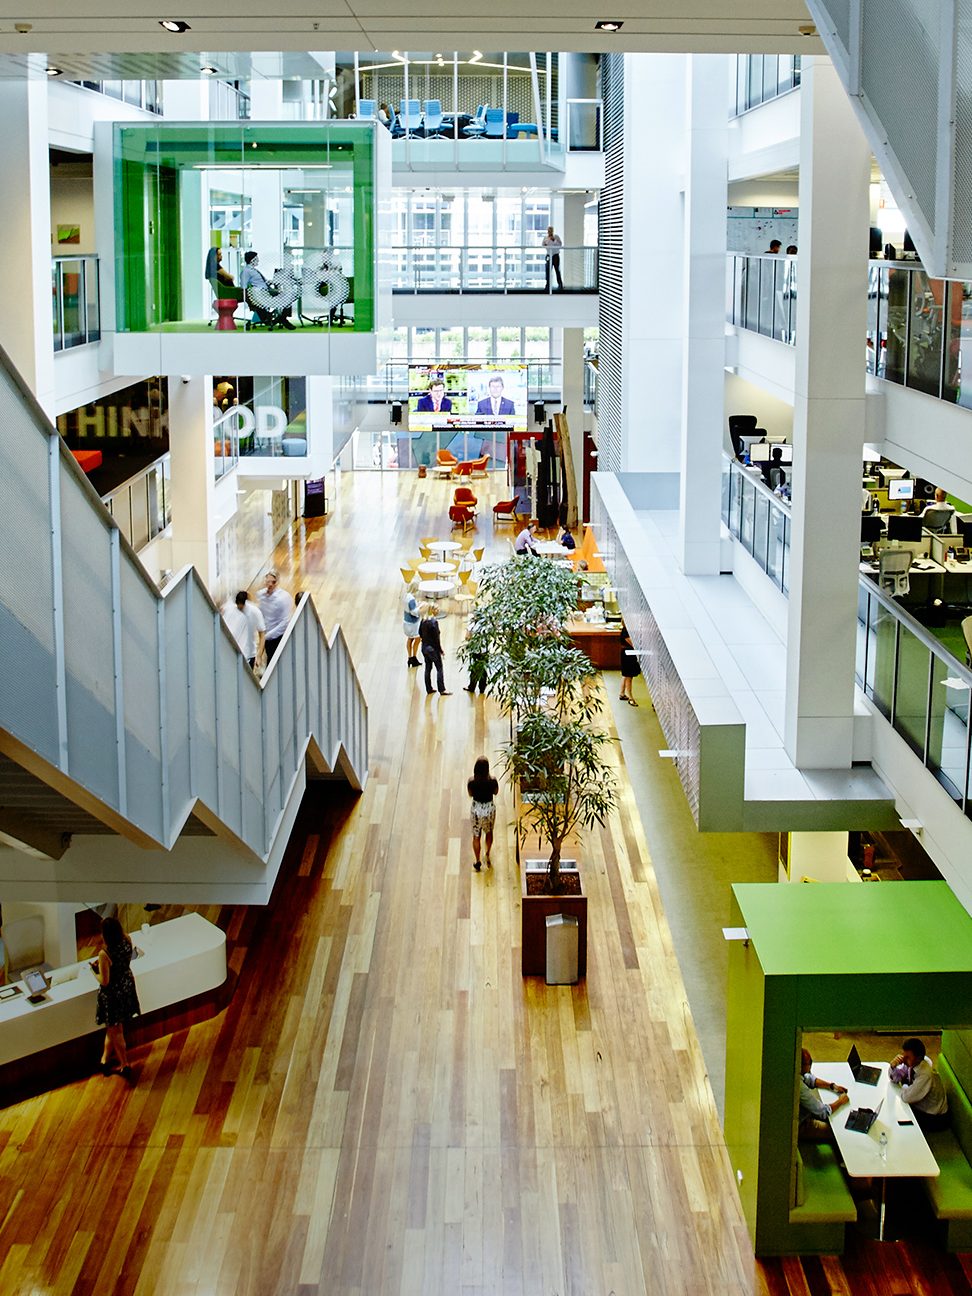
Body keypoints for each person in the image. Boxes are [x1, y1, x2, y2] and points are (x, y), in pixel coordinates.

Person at [93, 916, 141, 1082]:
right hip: (126, 987)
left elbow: (104, 981)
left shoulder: (104, 954)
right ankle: (104, 1060)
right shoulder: (127, 939)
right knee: (113, 1028)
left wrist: (95, 972)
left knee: (116, 1030)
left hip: (112, 994)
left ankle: (124, 1064)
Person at [889, 1038, 950, 1132]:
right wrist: (893, 1066)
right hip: (921, 1104)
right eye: (903, 1055)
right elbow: (896, 1078)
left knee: (900, 1121)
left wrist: (904, 1086)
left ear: (918, 1057)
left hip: (934, 1117)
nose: (904, 1060)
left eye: (907, 1057)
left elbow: (907, 1098)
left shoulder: (925, 1075)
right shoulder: (913, 1063)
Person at [798, 1048, 849, 1141]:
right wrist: (841, 1101)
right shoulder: (799, 1087)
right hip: (800, 1124)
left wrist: (831, 1086)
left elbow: (809, 1078)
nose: (810, 1066)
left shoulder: (796, 1071)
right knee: (836, 1131)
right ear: (801, 1065)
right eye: (809, 1063)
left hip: (805, 1111)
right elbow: (823, 1112)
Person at [241, 250, 295, 330]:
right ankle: (282, 319)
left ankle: (282, 318)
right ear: (252, 260)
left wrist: (274, 281)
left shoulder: (254, 270)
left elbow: (265, 281)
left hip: (266, 290)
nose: (258, 260)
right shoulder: (246, 271)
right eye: (256, 258)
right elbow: (244, 286)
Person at [467, 756, 499, 870]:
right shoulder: (492, 781)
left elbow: (470, 794)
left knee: (476, 835)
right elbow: (496, 792)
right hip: (489, 809)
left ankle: (477, 860)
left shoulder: (471, 782)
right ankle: (487, 854)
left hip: (476, 810)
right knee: (489, 832)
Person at [222, 589, 265, 670]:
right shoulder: (229, 609)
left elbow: (262, 635)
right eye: (238, 606)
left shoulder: (255, 612)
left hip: (248, 656)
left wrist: (259, 656)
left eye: (241, 606)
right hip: (231, 654)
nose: (239, 608)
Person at [258, 570, 294, 663]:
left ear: (277, 582)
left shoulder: (283, 598)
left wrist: (269, 635)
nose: (270, 584)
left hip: (278, 637)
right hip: (266, 637)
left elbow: (285, 622)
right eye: (268, 581)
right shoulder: (261, 595)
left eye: (273, 582)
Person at [419, 603, 451, 695]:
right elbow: (436, 638)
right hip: (433, 649)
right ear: (433, 610)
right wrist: (440, 650)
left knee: (428, 668)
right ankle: (442, 689)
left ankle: (428, 688)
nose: (438, 611)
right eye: (437, 609)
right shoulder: (434, 622)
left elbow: (420, 633)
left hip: (424, 647)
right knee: (439, 668)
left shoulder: (423, 620)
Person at [618, 622, 640, 706]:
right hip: (628, 654)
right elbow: (633, 643)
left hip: (630, 653)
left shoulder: (628, 630)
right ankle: (630, 697)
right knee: (628, 676)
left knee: (626, 674)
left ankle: (622, 693)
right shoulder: (626, 631)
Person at [463, 621, 488, 694]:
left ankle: (472, 687)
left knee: (474, 669)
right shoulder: (486, 624)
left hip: (475, 651)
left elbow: (467, 637)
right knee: (483, 670)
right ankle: (482, 688)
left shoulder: (472, 625)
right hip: (484, 651)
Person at [403, 577, 421, 667]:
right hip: (413, 623)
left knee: (410, 639)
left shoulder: (406, 596)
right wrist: (420, 610)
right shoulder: (412, 599)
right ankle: (414, 657)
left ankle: (410, 657)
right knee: (418, 639)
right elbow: (414, 612)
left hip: (406, 621)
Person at [542, 226, 564, 290]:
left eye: (550, 230)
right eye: (548, 231)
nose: (549, 232)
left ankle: (560, 285)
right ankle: (548, 285)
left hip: (555, 256)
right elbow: (543, 245)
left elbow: (560, 244)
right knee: (548, 271)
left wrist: (554, 240)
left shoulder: (556, 237)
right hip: (549, 255)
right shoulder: (545, 238)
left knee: (557, 270)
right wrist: (545, 244)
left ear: (552, 231)